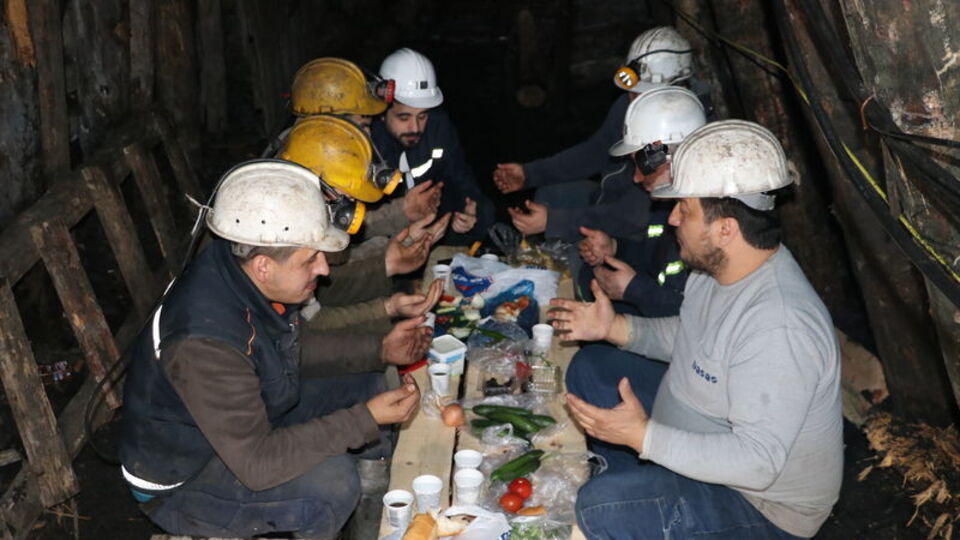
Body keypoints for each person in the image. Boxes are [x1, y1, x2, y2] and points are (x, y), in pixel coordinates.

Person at [552, 120, 842, 539]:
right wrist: (615, 326)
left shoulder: (779, 326)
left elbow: (758, 462)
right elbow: (689, 337)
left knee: (602, 506)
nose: (671, 219)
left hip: (758, 505)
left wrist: (644, 437)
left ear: (725, 229)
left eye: (683, 209)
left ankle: (631, 497)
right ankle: (639, 488)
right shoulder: (717, 270)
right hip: (694, 431)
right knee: (591, 367)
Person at [119, 160, 423, 539]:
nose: (324, 269)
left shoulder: (241, 271)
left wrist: (379, 349)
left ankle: (375, 520)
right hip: (185, 479)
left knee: (366, 382)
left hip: (241, 422)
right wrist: (363, 419)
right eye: (311, 258)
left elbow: (292, 349)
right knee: (331, 484)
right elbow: (258, 463)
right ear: (264, 266)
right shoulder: (204, 343)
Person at [496, 26, 698, 237]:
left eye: (642, 94)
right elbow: (599, 150)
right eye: (632, 93)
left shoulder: (680, 130)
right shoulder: (629, 105)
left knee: (568, 237)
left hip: (646, 229)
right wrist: (530, 173)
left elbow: (635, 213)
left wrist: (555, 221)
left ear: (675, 89)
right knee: (553, 194)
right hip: (610, 196)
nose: (633, 102)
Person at [576, 86, 706, 314]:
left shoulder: (707, 221)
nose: (636, 178)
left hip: (680, 333)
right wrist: (615, 248)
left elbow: (696, 317)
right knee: (588, 277)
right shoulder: (664, 207)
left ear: (676, 160)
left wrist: (635, 290)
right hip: (657, 301)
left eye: (644, 167)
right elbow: (656, 259)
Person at [371, 47, 494, 243]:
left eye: (422, 116)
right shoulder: (364, 143)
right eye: (404, 117)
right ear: (381, 113)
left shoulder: (438, 127)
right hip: (383, 225)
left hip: (429, 216)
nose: (415, 127)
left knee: (485, 213)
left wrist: (471, 210)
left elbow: (460, 176)